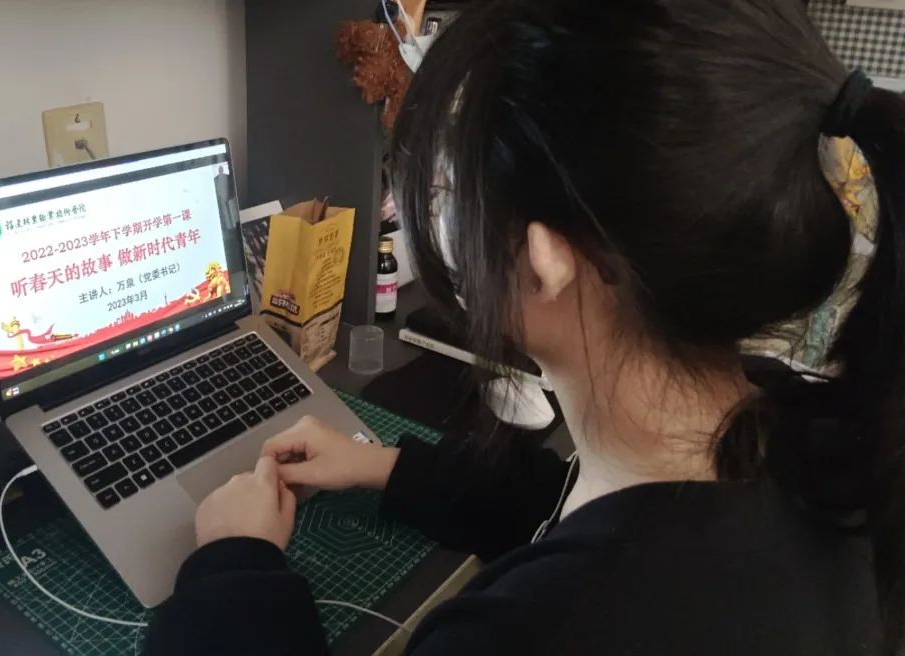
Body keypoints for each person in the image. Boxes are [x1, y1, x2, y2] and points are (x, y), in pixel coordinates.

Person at [146, 1, 904, 654]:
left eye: (448, 193)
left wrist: (233, 565)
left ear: (545, 261)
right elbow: (576, 507)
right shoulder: (812, 437)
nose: (441, 223)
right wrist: (385, 468)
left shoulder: (531, 631)